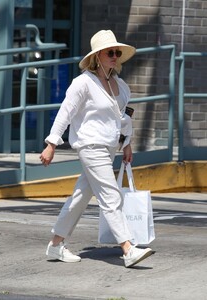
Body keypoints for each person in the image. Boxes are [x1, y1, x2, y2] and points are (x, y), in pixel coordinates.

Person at [40, 29, 153, 268]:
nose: (115, 55)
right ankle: (128, 248)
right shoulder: (83, 83)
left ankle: (56, 244)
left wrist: (128, 143)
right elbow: (65, 113)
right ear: (97, 56)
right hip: (90, 146)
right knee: (111, 196)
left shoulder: (120, 86)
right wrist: (52, 143)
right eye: (110, 52)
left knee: (80, 198)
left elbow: (124, 118)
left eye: (117, 52)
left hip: (109, 147)